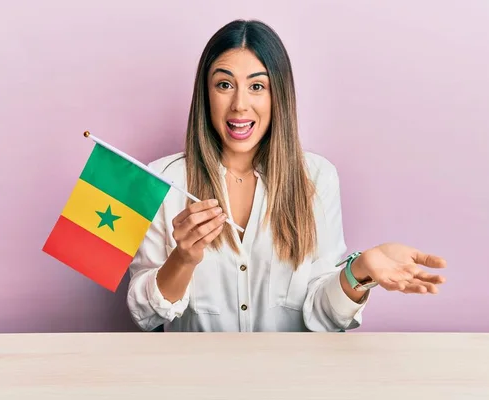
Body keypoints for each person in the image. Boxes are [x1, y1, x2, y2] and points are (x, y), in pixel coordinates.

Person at [126, 19, 446, 332]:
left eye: (257, 86)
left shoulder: (317, 178)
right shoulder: (162, 179)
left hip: (293, 381)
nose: (240, 104)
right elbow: (144, 315)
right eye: (224, 85)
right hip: (197, 380)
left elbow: (325, 317)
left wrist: (359, 270)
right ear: (206, 93)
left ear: (278, 94)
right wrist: (182, 259)